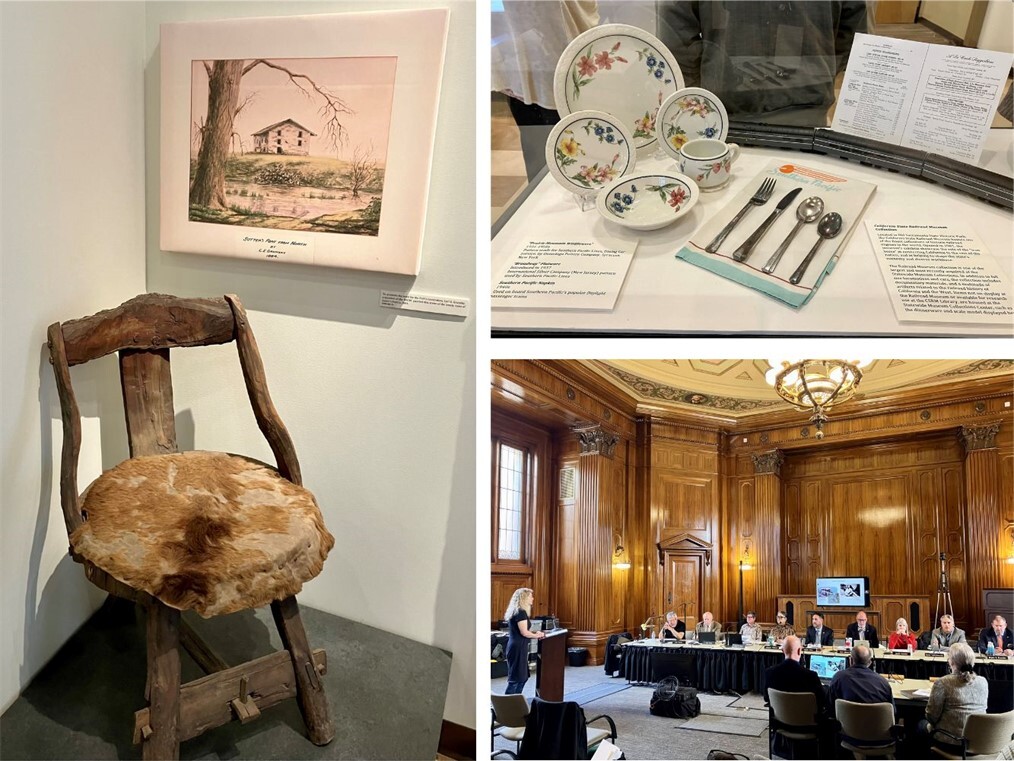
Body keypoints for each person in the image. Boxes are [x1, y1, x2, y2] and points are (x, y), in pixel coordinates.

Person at [656, 1, 868, 126]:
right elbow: (851, 36)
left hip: (726, 109)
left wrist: (703, 86)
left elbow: (676, 39)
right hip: (805, 105)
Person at [920, 643, 989, 755]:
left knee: (920, 726)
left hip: (952, 743)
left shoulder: (942, 683)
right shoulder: (983, 682)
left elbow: (931, 717)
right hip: (979, 743)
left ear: (951, 662)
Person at [764, 635, 829, 716]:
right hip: (807, 723)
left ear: (783, 651)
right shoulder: (811, 676)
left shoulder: (770, 673)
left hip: (780, 721)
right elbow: (822, 701)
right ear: (799, 651)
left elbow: (767, 698)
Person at [504, 587, 544, 694]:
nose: (533, 598)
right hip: (517, 647)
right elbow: (524, 632)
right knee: (516, 679)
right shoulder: (520, 612)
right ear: (524, 598)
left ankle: (515, 702)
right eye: (531, 596)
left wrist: (536, 634)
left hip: (519, 646)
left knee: (522, 677)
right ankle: (505, 705)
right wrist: (537, 635)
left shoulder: (518, 611)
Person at [828, 642, 893, 708]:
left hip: (845, 718)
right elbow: (891, 709)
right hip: (874, 718)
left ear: (851, 660)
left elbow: (830, 705)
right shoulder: (883, 683)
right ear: (870, 662)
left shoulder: (838, 677)